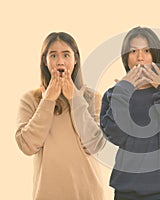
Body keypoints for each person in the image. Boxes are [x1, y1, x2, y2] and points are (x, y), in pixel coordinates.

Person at [100, 26, 160, 200]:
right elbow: (116, 135)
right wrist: (122, 93)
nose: (140, 57)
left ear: (155, 56)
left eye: (147, 51)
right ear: (125, 57)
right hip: (127, 187)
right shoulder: (115, 93)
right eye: (133, 51)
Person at [15, 32, 106, 200]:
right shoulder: (30, 99)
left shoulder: (93, 98)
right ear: (45, 61)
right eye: (53, 55)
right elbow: (27, 145)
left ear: (75, 59)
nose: (60, 61)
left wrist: (75, 99)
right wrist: (48, 100)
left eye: (66, 55)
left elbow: (95, 144)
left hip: (88, 193)